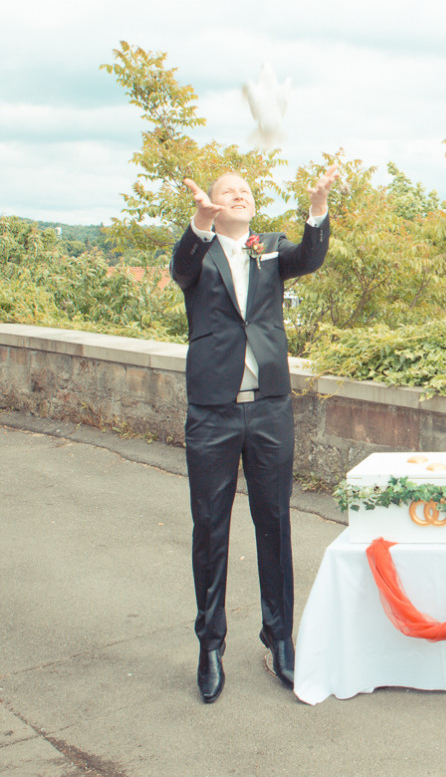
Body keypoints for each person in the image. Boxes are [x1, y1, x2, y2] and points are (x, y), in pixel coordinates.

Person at [171, 164, 339, 704]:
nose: (239, 194)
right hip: (213, 414)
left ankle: (279, 640)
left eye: (245, 190)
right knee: (210, 529)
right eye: (228, 191)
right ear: (213, 205)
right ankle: (210, 645)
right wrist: (199, 223)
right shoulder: (199, 254)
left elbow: (310, 258)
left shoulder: (269, 247)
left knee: (274, 523)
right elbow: (180, 268)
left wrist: (317, 209)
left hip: (268, 410)